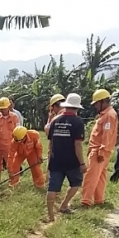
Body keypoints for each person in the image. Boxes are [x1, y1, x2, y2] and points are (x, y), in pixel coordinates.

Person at [45, 93, 86, 222]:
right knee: (76, 183)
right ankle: (64, 205)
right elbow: (77, 145)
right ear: (77, 108)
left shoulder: (55, 120)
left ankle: (50, 215)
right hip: (71, 161)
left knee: (52, 188)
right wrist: (82, 163)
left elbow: (51, 143)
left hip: (56, 159)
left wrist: (49, 160)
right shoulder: (78, 122)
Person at [80, 88, 118, 207]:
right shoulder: (108, 114)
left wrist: (101, 150)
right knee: (100, 176)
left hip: (99, 151)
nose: (95, 106)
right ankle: (98, 199)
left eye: (96, 103)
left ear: (103, 101)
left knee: (91, 176)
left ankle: (85, 201)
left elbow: (107, 134)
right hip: (102, 151)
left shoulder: (108, 116)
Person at [0, 97, 20, 183]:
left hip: (9, 146)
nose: (2, 110)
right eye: (1, 109)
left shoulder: (15, 117)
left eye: (4, 108)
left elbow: (18, 132)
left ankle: (13, 183)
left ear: (8, 107)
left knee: (11, 165)